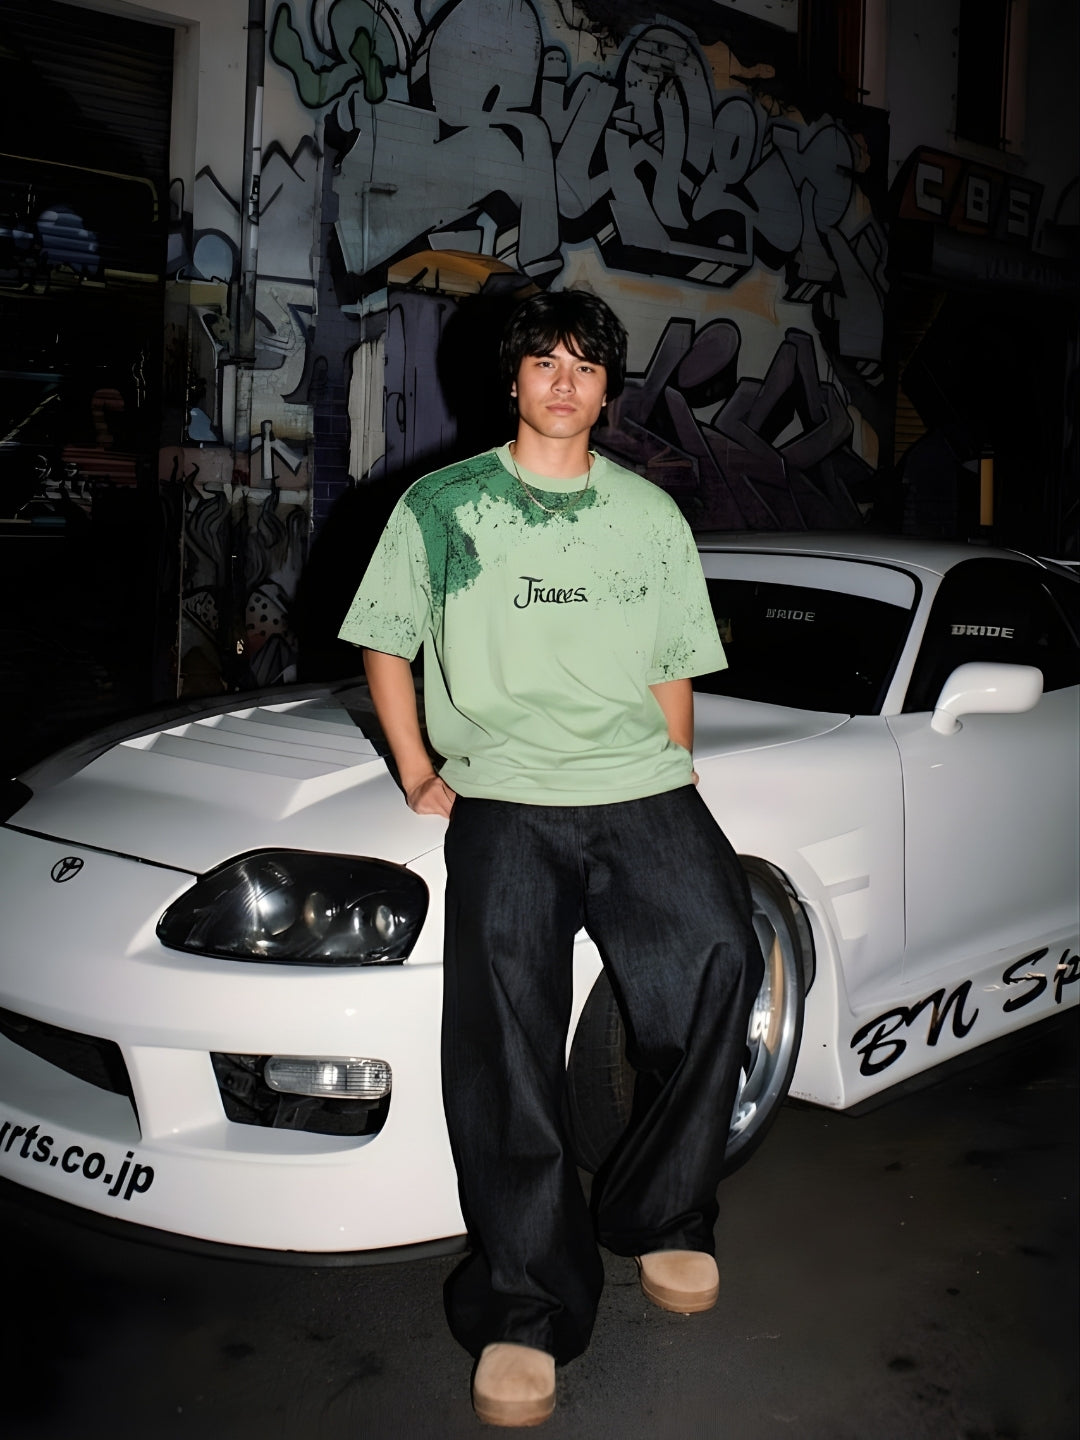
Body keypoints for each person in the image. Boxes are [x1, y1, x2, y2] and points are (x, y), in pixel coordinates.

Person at [339, 290, 763, 1427]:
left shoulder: (648, 516)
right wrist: (417, 770)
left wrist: (674, 768)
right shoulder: (443, 504)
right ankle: (526, 1304)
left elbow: (673, 660)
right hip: (508, 798)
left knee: (722, 960)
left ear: (607, 389)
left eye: (584, 365)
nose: (564, 381)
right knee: (505, 1042)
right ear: (514, 380)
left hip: (639, 788)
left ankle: (663, 1214)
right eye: (544, 362)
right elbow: (384, 638)